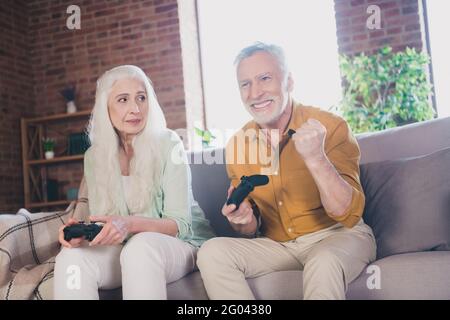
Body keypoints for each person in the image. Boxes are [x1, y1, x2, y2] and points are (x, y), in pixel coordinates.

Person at [196, 42, 376, 300]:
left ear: (289, 81)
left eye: (265, 78)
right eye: (245, 84)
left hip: (338, 236)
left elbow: (346, 213)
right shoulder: (238, 144)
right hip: (278, 246)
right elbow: (251, 227)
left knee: (323, 262)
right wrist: (245, 221)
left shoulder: (330, 126)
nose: (255, 93)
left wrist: (316, 158)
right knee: (212, 252)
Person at [54, 65, 215, 300]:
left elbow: (180, 224)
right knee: (71, 258)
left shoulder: (169, 144)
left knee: (140, 247)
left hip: (180, 245)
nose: (135, 108)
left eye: (141, 97)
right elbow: (104, 221)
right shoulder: (94, 157)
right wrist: (82, 234)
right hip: (125, 249)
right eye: (123, 100)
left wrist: (128, 225)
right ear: (105, 108)